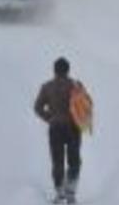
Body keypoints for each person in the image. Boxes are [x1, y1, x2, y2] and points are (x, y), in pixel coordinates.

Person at [34, 57, 83, 204]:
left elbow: (37, 108)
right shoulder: (76, 86)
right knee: (74, 160)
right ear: (68, 70)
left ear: (54, 70)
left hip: (55, 128)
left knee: (57, 161)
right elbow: (86, 106)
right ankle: (71, 193)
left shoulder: (47, 87)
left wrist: (50, 118)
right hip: (74, 128)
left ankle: (59, 193)